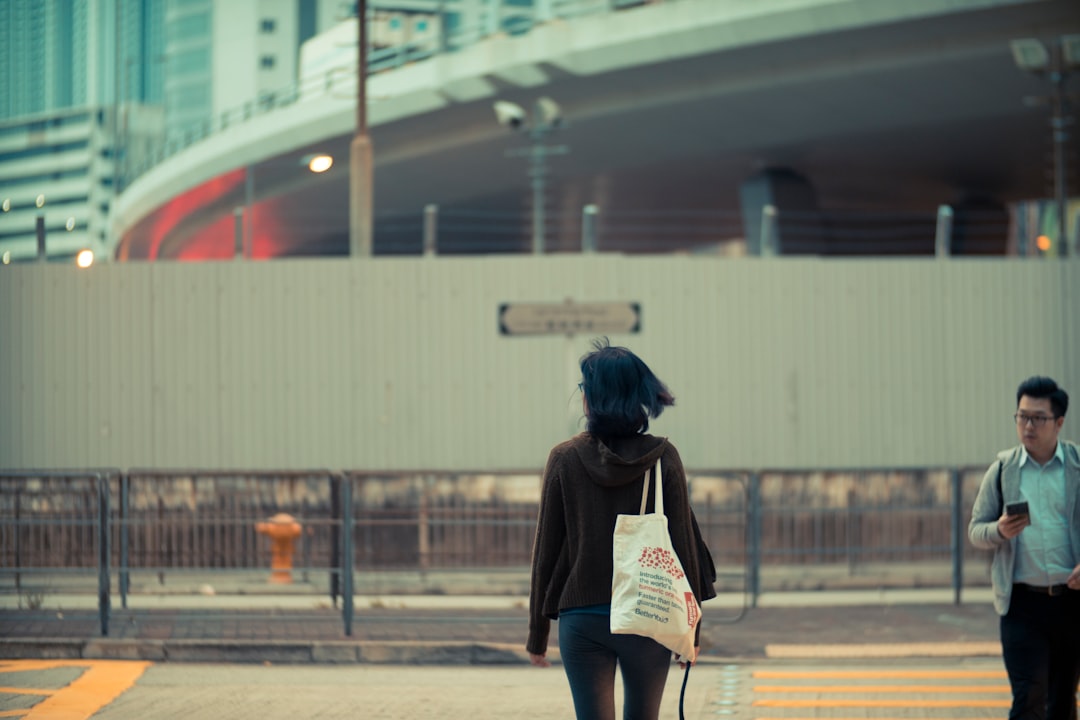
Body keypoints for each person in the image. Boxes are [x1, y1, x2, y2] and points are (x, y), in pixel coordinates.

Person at [526, 339, 707, 720]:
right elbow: (684, 548)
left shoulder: (564, 458)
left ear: (592, 397)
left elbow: (546, 552)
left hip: (582, 620)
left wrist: (538, 635)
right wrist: (691, 632)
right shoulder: (662, 458)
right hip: (649, 614)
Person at [968, 376, 1080, 720]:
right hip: (1021, 605)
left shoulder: (1077, 467)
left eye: (1038, 418)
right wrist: (999, 530)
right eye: (1021, 416)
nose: (1028, 425)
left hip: (1072, 604)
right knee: (1028, 696)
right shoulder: (1003, 470)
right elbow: (976, 530)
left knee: (1063, 701)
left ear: (1058, 422)